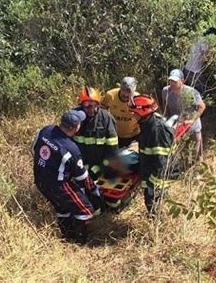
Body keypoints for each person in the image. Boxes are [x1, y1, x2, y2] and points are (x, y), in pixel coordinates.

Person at [32, 110, 102, 244]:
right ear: (76, 127)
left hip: (40, 179)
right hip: (57, 185)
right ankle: (80, 242)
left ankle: (67, 236)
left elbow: (34, 149)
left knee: (62, 207)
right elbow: (82, 177)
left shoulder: (46, 131)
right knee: (85, 209)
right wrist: (94, 191)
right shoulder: (71, 149)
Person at [128, 94, 174, 216]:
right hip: (150, 171)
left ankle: (158, 226)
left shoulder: (157, 130)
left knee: (154, 203)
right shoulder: (148, 123)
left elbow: (161, 161)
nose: (132, 115)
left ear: (143, 111)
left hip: (157, 177)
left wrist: (153, 185)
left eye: (133, 112)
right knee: (151, 202)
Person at [74, 86, 119, 180]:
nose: (91, 109)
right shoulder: (75, 118)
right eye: (87, 105)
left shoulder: (106, 118)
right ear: (81, 105)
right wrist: (82, 165)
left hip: (102, 164)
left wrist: (104, 167)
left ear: (98, 104)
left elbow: (112, 148)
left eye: (93, 105)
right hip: (82, 164)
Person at [162, 69, 206, 161]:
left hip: (192, 127)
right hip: (177, 127)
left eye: (175, 81)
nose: (172, 83)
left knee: (196, 154)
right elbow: (165, 106)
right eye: (170, 81)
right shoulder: (166, 91)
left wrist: (192, 120)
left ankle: (198, 172)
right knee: (181, 153)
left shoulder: (191, 92)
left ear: (182, 81)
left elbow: (201, 106)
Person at [102, 77, 140, 148]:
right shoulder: (110, 95)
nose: (125, 94)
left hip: (133, 137)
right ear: (120, 87)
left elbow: (144, 119)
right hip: (114, 135)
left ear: (134, 91)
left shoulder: (138, 99)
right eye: (123, 90)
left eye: (129, 92)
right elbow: (102, 111)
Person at [183, 27, 216, 95]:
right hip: (194, 72)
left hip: (187, 69)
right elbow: (206, 56)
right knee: (200, 93)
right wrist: (214, 52)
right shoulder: (204, 41)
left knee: (192, 92)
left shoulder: (197, 39)